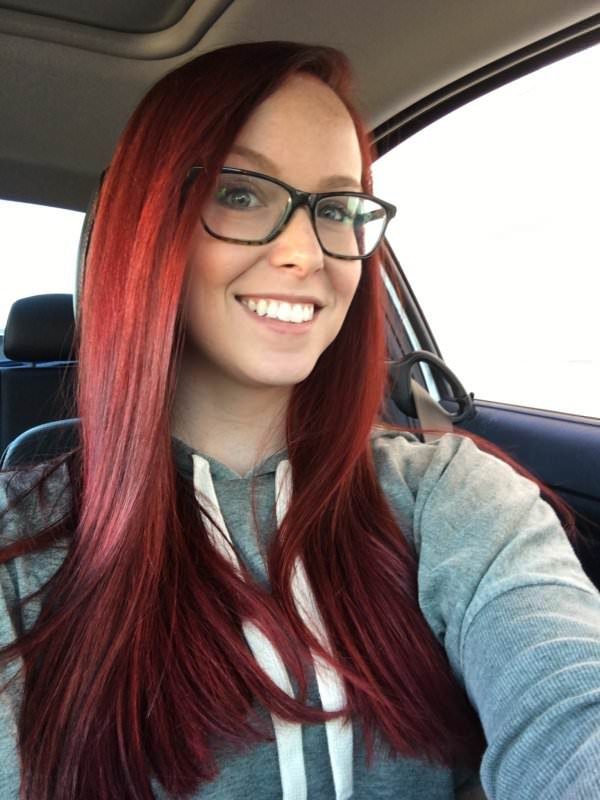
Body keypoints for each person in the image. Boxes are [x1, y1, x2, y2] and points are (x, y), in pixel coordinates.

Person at [1, 41, 599, 800]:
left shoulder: (449, 495)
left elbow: (570, 706)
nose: (306, 252)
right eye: (240, 193)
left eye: (337, 209)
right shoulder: (20, 553)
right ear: (151, 230)